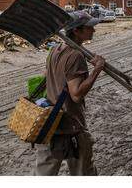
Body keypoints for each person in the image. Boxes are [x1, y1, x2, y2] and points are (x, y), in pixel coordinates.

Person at [34, 11, 106, 175]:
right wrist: (97, 69)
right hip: (71, 126)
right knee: (83, 174)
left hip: (50, 124)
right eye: (90, 27)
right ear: (77, 31)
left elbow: (46, 77)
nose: (93, 30)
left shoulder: (55, 49)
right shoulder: (76, 56)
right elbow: (76, 94)